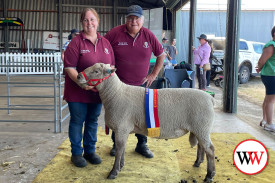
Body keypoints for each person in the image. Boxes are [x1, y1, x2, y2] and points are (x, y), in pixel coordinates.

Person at [104, 5, 165, 158]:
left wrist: (153, 75)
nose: (133, 21)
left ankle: (142, 144)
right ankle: (116, 144)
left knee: (143, 115)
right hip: (119, 86)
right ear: (126, 19)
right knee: (117, 115)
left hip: (141, 84)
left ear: (142, 20)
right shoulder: (115, 33)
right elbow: (102, 49)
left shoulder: (148, 35)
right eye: (130, 18)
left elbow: (161, 55)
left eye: (137, 18)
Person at [63, 8, 115, 167]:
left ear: (97, 21)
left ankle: (90, 150)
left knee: (92, 121)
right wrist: (82, 83)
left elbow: (111, 67)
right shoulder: (75, 43)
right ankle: (76, 153)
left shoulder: (105, 43)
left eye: (92, 19)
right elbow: (69, 67)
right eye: (86, 20)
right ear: (82, 23)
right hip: (78, 92)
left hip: (97, 93)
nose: (89, 23)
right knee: (78, 121)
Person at [257, 26, 275, 132]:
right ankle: (269, 124)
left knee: (268, 98)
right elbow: (261, 60)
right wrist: (259, 67)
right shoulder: (271, 45)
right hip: (271, 75)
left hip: (271, 74)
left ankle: (265, 120)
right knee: (271, 100)